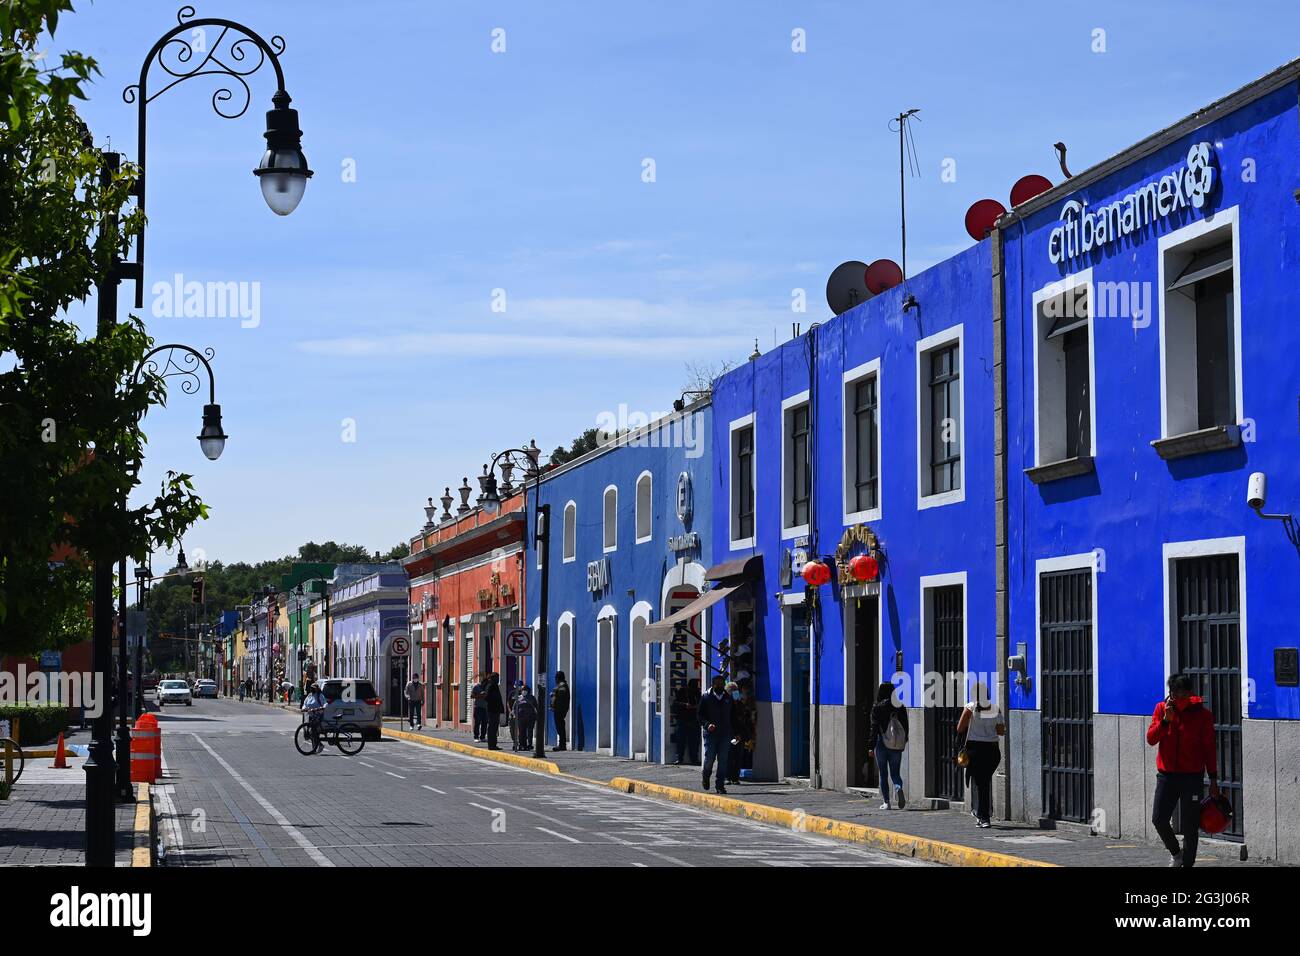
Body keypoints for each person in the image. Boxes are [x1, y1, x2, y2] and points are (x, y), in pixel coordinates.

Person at [1147, 673, 1220, 867]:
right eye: (1173, 694)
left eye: (1181, 695)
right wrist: (1165, 721)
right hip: (1166, 776)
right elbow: (1151, 739)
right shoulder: (1161, 709)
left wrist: (1213, 779)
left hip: (1192, 777)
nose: (1176, 699)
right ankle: (1176, 853)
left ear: (1188, 694)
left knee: (1190, 826)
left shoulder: (1202, 715)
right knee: (1159, 819)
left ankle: (1187, 863)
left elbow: (1209, 749)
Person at [956, 681, 1004, 828]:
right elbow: (1001, 732)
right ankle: (981, 814)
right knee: (984, 781)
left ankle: (983, 817)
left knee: (980, 783)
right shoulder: (996, 709)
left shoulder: (970, 708)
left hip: (975, 750)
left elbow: (960, 728)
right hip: (993, 750)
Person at [867, 681, 909, 810]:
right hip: (896, 745)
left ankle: (887, 802)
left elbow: (874, 728)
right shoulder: (900, 706)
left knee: (883, 774)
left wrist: (870, 745)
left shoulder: (877, 707)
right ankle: (898, 787)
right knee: (895, 773)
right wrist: (904, 740)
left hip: (881, 743)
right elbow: (905, 726)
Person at [697, 674, 733, 794]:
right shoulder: (706, 697)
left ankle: (720, 785)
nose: (720, 685)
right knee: (710, 758)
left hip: (725, 734)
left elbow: (734, 716)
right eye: (718, 683)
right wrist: (707, 725)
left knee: (723, 760)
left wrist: (736, 732)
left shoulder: (728, 698)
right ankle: (706, 775)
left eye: (722, 683)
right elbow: (700, 715)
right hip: (710, 734)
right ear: (713, 684)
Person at [725, 681, 751, 785]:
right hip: (732, 734)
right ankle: (728, 777)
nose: (736, 693)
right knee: (729, 756)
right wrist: (736, 733)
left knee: (738, 756)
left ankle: (735, 777)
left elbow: (743, 718)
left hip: (740, 735)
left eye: (736, 690)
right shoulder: (727, 703)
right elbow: (730, 720)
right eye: (733, 691)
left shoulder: (740, 703)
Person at [673, 679, 701, 765]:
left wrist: (695, 707)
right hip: (682, 719)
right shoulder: (682, 691)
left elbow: (701, 704)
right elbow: (675, 703)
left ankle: (694, 759)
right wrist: (685, 705)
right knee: (681, 740)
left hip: (694, 720)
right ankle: (679, 758)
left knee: (694, 741)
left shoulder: (698, 693)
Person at [300, 682, 328, 755]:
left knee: (313, 731)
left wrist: (322, 707)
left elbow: (325, 703)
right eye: (311, 688)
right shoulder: (309, 696)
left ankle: (319, 745)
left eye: (313, 688)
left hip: (318, 715)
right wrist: (304, 708)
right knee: (309, 732)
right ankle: (314, 748)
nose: (312, 690)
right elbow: (305, 704)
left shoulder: (320, 695)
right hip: (310, 716)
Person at [550, 671, 570, 751]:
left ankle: (562, 745)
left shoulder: (561, 686)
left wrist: (555, 705)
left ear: (558, 678)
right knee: (559, 726)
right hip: (559, 709)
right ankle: (561, 744)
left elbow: (560, 698)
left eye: (556, 677)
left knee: (560, 727)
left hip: (559, 710)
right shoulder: (560, 686)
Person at [514, 685, 538, 751]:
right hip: (521, 718)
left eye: (525, 690)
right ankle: (522, 744)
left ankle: (529, 745)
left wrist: (536, 716)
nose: (524, 691)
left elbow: (536, 707)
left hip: (530, 718)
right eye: (522, 690)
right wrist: (514, 715)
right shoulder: (518, 698)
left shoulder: (532, 698)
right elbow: (514, 707)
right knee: (522, 732)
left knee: (530, 732)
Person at [485, 672, 505, 750]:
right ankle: (491, 745)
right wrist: (494, 703)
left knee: (494, 727)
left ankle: (493, 744)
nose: (498, 679)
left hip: (495, 709)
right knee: (492, 727)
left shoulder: (494, 686)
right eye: (497, 678)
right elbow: (486, 697)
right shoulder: (490, 686)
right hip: (492, 709)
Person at [470, 673, 489, 741]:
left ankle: (483, 737)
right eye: (485, 683)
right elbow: (472, 696)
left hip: (485, 707)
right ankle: (476, 736)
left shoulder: (487, 688)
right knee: (477, 722)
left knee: (485, 722)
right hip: (478, 707)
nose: (486, 684)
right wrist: (480, 695)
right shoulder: (476, 687)